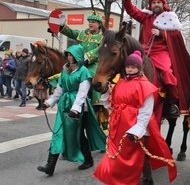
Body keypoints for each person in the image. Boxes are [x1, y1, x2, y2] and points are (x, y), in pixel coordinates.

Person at [93, 50, 177, 184]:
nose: (130, 69)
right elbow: (112, 106)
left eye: (133, 67)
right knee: (117, 155)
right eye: (128, 67)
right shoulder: (119, 83)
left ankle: (147, 178)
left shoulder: (146, 86)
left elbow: (146, 111)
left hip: (135, 127)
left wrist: (138, 129)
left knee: (138, 156)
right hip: (118, 127)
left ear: (139, 68)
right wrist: (105, 94)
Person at [123, 0, 190, 120]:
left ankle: (172, 103)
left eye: (158, 2)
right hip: (145, 52)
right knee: (127, 66)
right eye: (154, 3)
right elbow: (132, 11)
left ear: (163, 5)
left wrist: (163, 34)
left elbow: (176, 37)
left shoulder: (171, 19)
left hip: (161, 53)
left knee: (167, 72)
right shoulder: (145, 17)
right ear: (150, 5)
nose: (156, 5)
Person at [37, 44, 106, 176]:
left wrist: (75, 110)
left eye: (72, 55)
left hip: (78, 108)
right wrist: (48, 102)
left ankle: (88, 159)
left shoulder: (84, 71)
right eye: (68, 55)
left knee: (78, 135)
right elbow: (60, 89)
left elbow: (82, 93)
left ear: (78, 56)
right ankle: (50, 166)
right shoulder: (65, 70)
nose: (69, 57)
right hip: (64, 105)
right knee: (57, 134)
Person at [59, 12, 108, 128]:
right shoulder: (82, 33)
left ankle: (97, 103)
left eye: (93, 22)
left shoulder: (102, 37)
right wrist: (62, 26)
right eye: (89, 22)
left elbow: (100, 50)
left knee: (93, 76)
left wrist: (88, 56)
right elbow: (71, 33)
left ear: (99, 24)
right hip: (79, 62)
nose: (90, 24)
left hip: (93, 63)